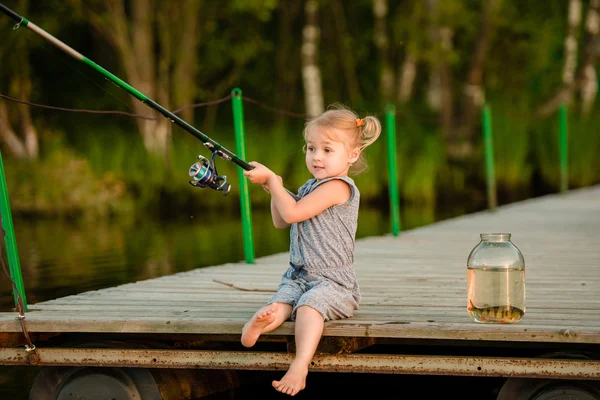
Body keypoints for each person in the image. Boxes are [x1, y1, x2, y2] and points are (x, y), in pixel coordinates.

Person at [241, 103, 381, 396]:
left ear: (352, 155)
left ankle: (300, 365)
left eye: (327, 150)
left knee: (308, 306)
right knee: (282, 302)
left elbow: (292, 214)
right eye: (310, 148)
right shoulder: (309, 186)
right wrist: (274, 189)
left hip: (335, 283)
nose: (316, 156)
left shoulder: (339, 187)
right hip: (298, 276)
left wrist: (273, 183)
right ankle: (261, 322)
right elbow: (281, 219)